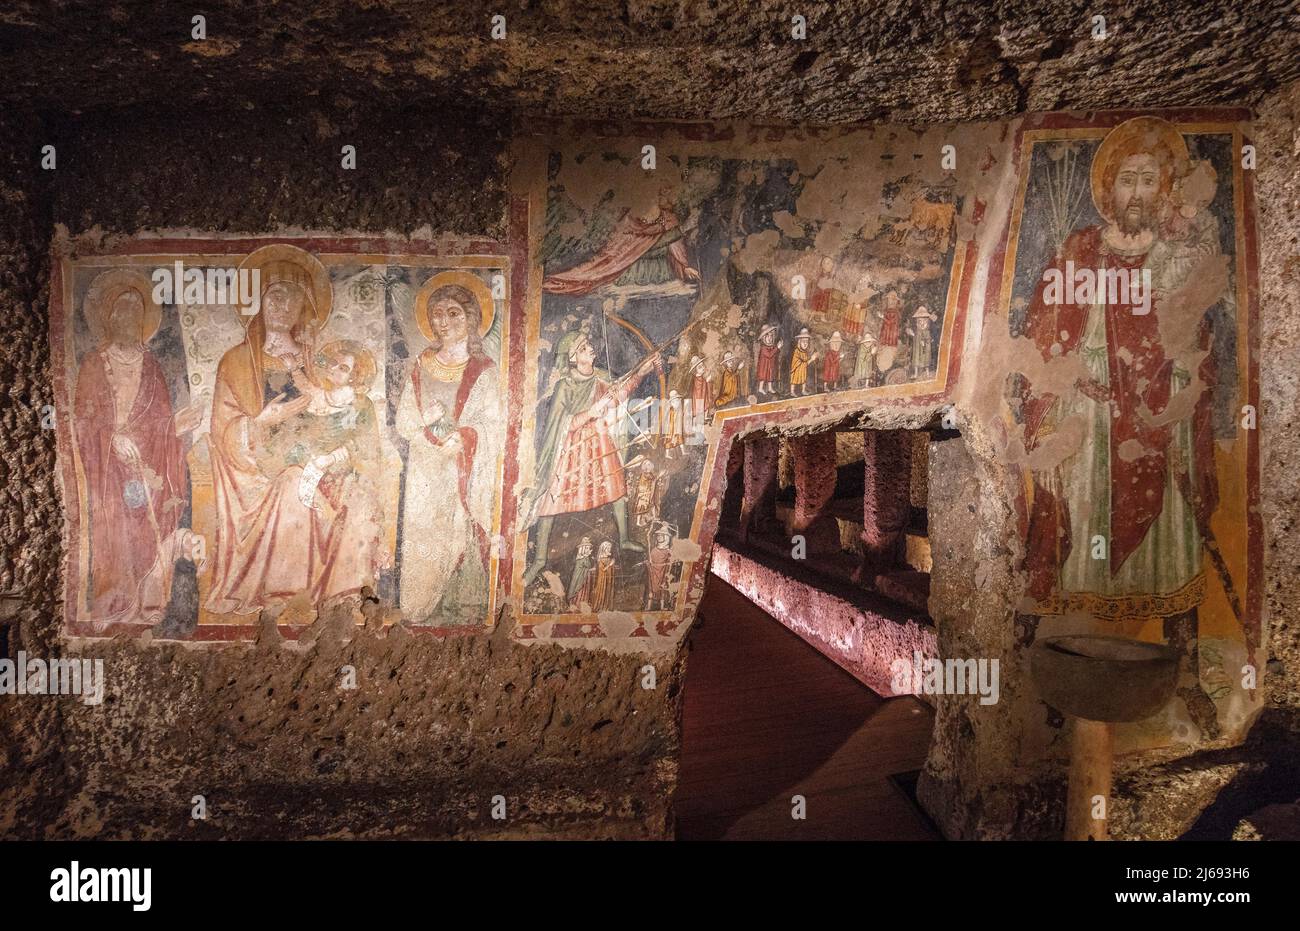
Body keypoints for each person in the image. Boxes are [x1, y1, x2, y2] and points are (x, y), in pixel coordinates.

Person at [1017, 117, 1227, 737]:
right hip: (1087, 426)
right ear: (1108, 189)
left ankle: (1185, 670)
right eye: (1127, 180)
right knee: (1069, 537)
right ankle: (1031, 660)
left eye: (1150, 180)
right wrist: (1073, 379)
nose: (1138, 192)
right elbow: (1044, 330)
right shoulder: (1079, 250)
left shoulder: (1177, 255)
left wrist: (1184, 381)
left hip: (1156, 425)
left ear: (1166, 188)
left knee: (1175, 534)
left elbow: (1197, 340)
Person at [206, 246, 380, 617]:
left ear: (306, 307)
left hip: (321, 462)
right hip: (258, 469)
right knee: (291, 484)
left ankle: (340, 594)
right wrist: (261, 421)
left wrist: (339, 456)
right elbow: (222, 428)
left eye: (294, 297)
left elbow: (344, 414)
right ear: (261, 301)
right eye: (275, 295)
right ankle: (287, 592)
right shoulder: (236, 361)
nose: (283, 306)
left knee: (358, 496)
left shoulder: (318, 362)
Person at [74, 270, 195, 624]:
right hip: (107, 468)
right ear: (107, 317)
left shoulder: (151, 365)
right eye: (120, 310)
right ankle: (115, 602)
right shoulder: (95, 364)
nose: (128, 318)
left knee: (149, 521)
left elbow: (158, 421)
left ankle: (147, 599)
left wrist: (177, 426)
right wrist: (112, 437)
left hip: (148, 465)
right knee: (115, 523)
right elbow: (83, 421)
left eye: (135, 310)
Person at [396, 280, 503, 624]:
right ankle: (419, 608)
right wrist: (431, 429)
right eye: (437, 314)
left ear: (471, 318)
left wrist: (465, 438)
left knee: (461, 533)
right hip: (426, 469)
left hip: (463, 470)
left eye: (453, 313)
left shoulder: (483, 369)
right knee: (425, 539)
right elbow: (404, 419)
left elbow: (493, 423)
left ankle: (463, 606)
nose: (444, 321)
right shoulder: (421, 363)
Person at [522, 327, 663, 587]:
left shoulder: (598, 380)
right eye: (585, 347)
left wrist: (643, 371)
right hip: (571, 448)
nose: (591, 348)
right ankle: (539, 559)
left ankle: (623, 539)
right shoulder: (565, 385)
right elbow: (560, 423)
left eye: (589, 345)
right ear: (574, 357)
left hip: (598, 441)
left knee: (616, 486)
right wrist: (591, 412)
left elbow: (617, 395)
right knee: (550, 500)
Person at [644, 524, 675, 611]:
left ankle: (662, 606)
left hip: (662, 572)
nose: (659, 537)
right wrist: (649, 563)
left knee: (662, 587)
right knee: (652, 587)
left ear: (666, 537)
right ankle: (649, 607)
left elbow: (669, 562)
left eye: (661, 535)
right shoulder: (653, 549)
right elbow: (651, 560)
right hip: (653, 572)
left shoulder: (667, 551)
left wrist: (667, 565)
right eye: (658, 535)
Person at [568, 536, 595, 611]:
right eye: (586, 548)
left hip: (584, 577)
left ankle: (582, 604)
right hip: (580, 577)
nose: (588, 550)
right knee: (579, 589)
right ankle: (577, 604)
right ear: (582, 549)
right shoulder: (582, 558)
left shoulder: (585, 557)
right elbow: (586, 566)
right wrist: (591, 569)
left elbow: (587, 567)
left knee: (584, 589)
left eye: (588, 548)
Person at [755, 324, 782, 395]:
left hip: (770, 365)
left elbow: (774, 354)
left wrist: (777, 348)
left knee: (770, 376)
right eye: (767, 336)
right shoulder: (763, 348)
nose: (769, 338)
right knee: (763, 377)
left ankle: (770, 388)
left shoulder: (772, 346)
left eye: (771, 336)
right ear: (763, 338)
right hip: (764, 366)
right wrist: (777, 348)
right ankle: (760, 388)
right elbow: (769, 355)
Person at [789, 328, 817, 396]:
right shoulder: (797, 351)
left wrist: (813, 358)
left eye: (806, 342)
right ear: (799, 342)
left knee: (803, 379)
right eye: (803, 341)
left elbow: (805, 361)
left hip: (802, 369)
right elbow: (799, 362)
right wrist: (811, 359)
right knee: (794, 380)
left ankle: (803, 390)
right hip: (796, 369)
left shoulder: (805, 352)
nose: (805, 343)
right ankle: (792, 391)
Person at [591, 540, 617, 611]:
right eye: (608, 548)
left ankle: (607, 606)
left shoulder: (608, 557)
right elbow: (603, 569)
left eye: (610, 548)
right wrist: (610, 564)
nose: (609, 549)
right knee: (603, 590)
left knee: (608, 590)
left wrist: (612, 564)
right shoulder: (601, 558)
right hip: (603, 579)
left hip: (609, 577)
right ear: (604, 548)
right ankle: (601, 606)